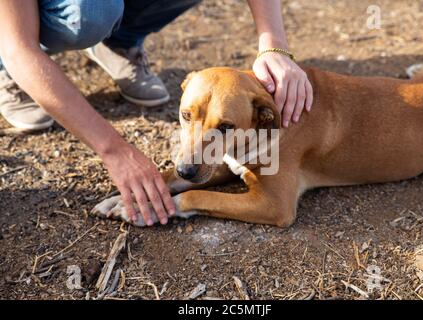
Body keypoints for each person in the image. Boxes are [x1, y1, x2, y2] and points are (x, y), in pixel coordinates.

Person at [0, 0, 313, 226]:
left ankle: (119, 42)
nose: (187, 157)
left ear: (264, 116)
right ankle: (10, 72)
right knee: (89, 12)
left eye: (224, 128)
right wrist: (115, 151)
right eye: (187, 116)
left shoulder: (278, 115)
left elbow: (277, 210)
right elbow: (19, 47)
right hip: (32, 24)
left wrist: (273, 44)